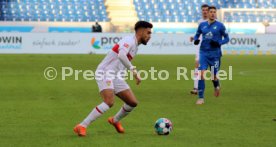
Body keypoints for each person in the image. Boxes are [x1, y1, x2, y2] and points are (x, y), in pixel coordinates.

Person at [74, 21, 153, 136]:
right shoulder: (129, 40)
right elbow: (121, 55)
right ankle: (82, 125)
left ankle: (114, 120)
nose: (150, 36)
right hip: (105, 72)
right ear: (140, 31)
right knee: (109, 102)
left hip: (116, 76)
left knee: (132, 102)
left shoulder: (135, 46)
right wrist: (134, 71)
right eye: (148, 33)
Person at [193, 6, 230, 105]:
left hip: (215, 54)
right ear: (208, 13)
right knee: (201, 74)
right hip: (204, 52)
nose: (213, 13)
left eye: (214, 12)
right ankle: (201, 98)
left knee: (213, 76)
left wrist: (219, 42)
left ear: (216, 14)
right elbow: (197, 34)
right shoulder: (202, 25)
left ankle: (216, 86)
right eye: (211, 12)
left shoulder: (220, 26)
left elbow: (227, 38)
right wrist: (196, 39)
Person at [190, 4, 209, 95]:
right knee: (197, 66)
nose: (204, 11)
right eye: (203, 10)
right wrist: (194, 38)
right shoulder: (200, 21)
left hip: (210, 48)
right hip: (200, 47)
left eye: (206, 10)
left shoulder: (214, 22)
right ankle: (196, 88)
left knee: (211, 69)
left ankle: (216, 84)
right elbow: (199, 34)